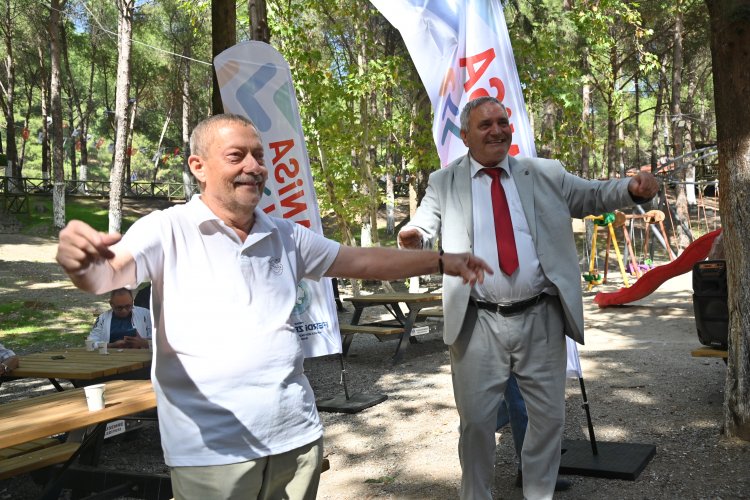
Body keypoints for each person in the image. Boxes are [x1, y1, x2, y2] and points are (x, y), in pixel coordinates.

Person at [55, 113, 491, 500]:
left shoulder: (284, 234)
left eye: (259, 156)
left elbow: (359, 261)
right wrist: (82, 263)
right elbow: (106, 276)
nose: (254, 167)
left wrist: (440, 260)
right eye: (237, 156)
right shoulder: (166, 229)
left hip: (294, 438)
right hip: (211, 450)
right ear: (198, 166)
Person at [398, 96, 658, 500]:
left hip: (540, 316)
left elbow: (592, 196)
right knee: (478, 424)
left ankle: (539, 494)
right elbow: (425, 222)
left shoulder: (544, 173)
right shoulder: (443, 181)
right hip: (477, 321)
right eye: (485, 125)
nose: (497, 130)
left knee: (548, 419)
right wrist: (413, 235)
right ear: (465, 135)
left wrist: (632, 190)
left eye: (502, 122)